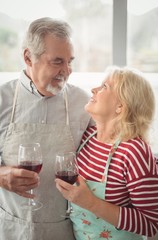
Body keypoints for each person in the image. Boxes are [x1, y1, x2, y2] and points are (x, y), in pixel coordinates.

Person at [0, 17, 94, 240]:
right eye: (57, 61)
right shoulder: (2, 99)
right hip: (10, 228)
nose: (67, 70)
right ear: (28, 57)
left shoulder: (84, 103)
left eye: (70, 61)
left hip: (62, 230)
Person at [55, 66, 158, 240]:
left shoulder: (134, 151)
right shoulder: (88, 137)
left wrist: (90, 203)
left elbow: (150, 224)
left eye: (105, 87)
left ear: (121, 105)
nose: (94, 89)